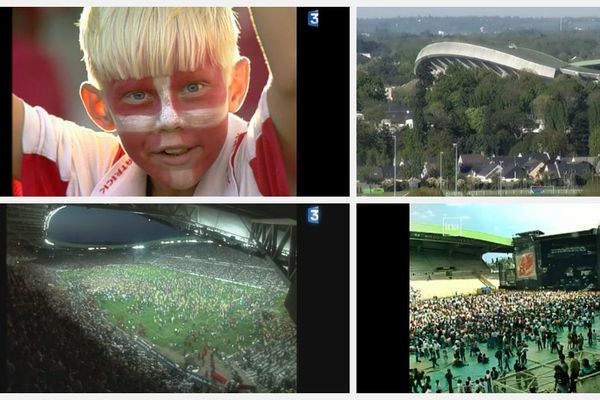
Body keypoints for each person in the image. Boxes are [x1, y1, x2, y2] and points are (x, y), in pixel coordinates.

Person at [12, 7, 296, 196]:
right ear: (100, 109)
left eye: (193, 87)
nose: (169, 120)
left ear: (235, 86)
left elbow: (292, 76)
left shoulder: (258, 162)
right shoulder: (87, 169)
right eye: (138, 95)